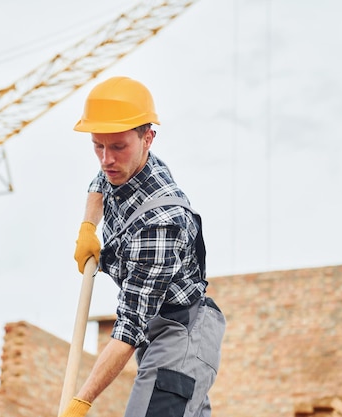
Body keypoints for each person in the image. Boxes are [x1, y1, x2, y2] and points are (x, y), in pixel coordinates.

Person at [60, 76, 226, 417]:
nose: (106, 159)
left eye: (118, 147)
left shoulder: (161, 223)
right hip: (158, 332)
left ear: (147, 138)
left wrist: (81, 401)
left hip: (181, 338)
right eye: (97, 146)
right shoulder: (123, 167)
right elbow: (99, 180)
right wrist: (88, 227)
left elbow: (129, 326)